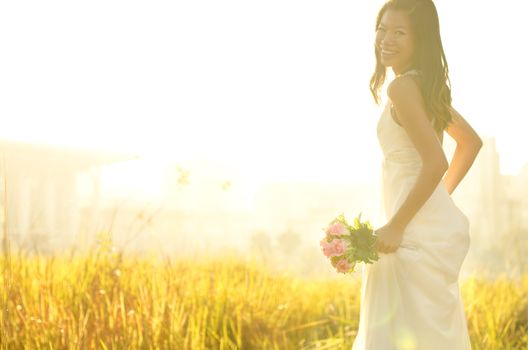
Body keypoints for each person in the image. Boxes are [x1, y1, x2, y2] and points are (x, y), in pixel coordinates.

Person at [351, 0, 482, 349]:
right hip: (415, 223)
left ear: (419, 39)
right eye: (382, 28)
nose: (386, 38)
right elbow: (469, 143)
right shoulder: (421, 87)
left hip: (405, 229)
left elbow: (437, 161)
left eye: (399, 32)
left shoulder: (402, 89)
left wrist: (398, 224)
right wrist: (437, 202)